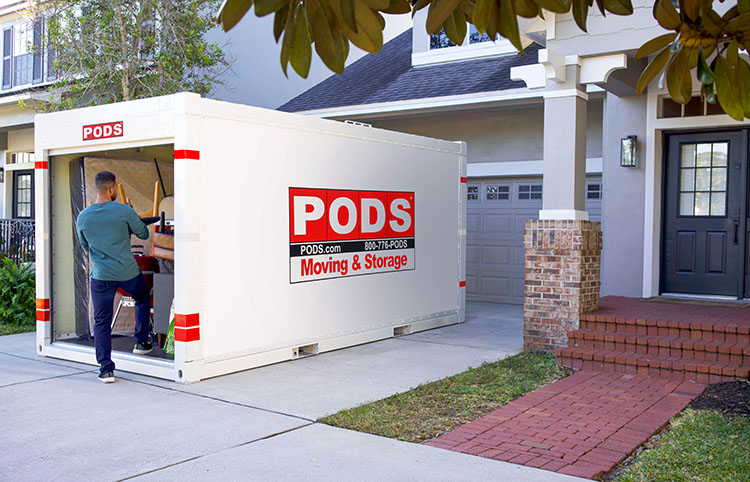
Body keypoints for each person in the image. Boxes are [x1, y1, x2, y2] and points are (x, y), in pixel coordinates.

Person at [76, 171, 153, 383]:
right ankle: (140, 342)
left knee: (101, 320)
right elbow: (144, 234)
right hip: (127, 272)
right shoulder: (123, 211)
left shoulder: (83, 216)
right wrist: (131, 216)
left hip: (100, 276)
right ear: (112, 189)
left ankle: (106, 370)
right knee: (142, 297)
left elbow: (85, 246)